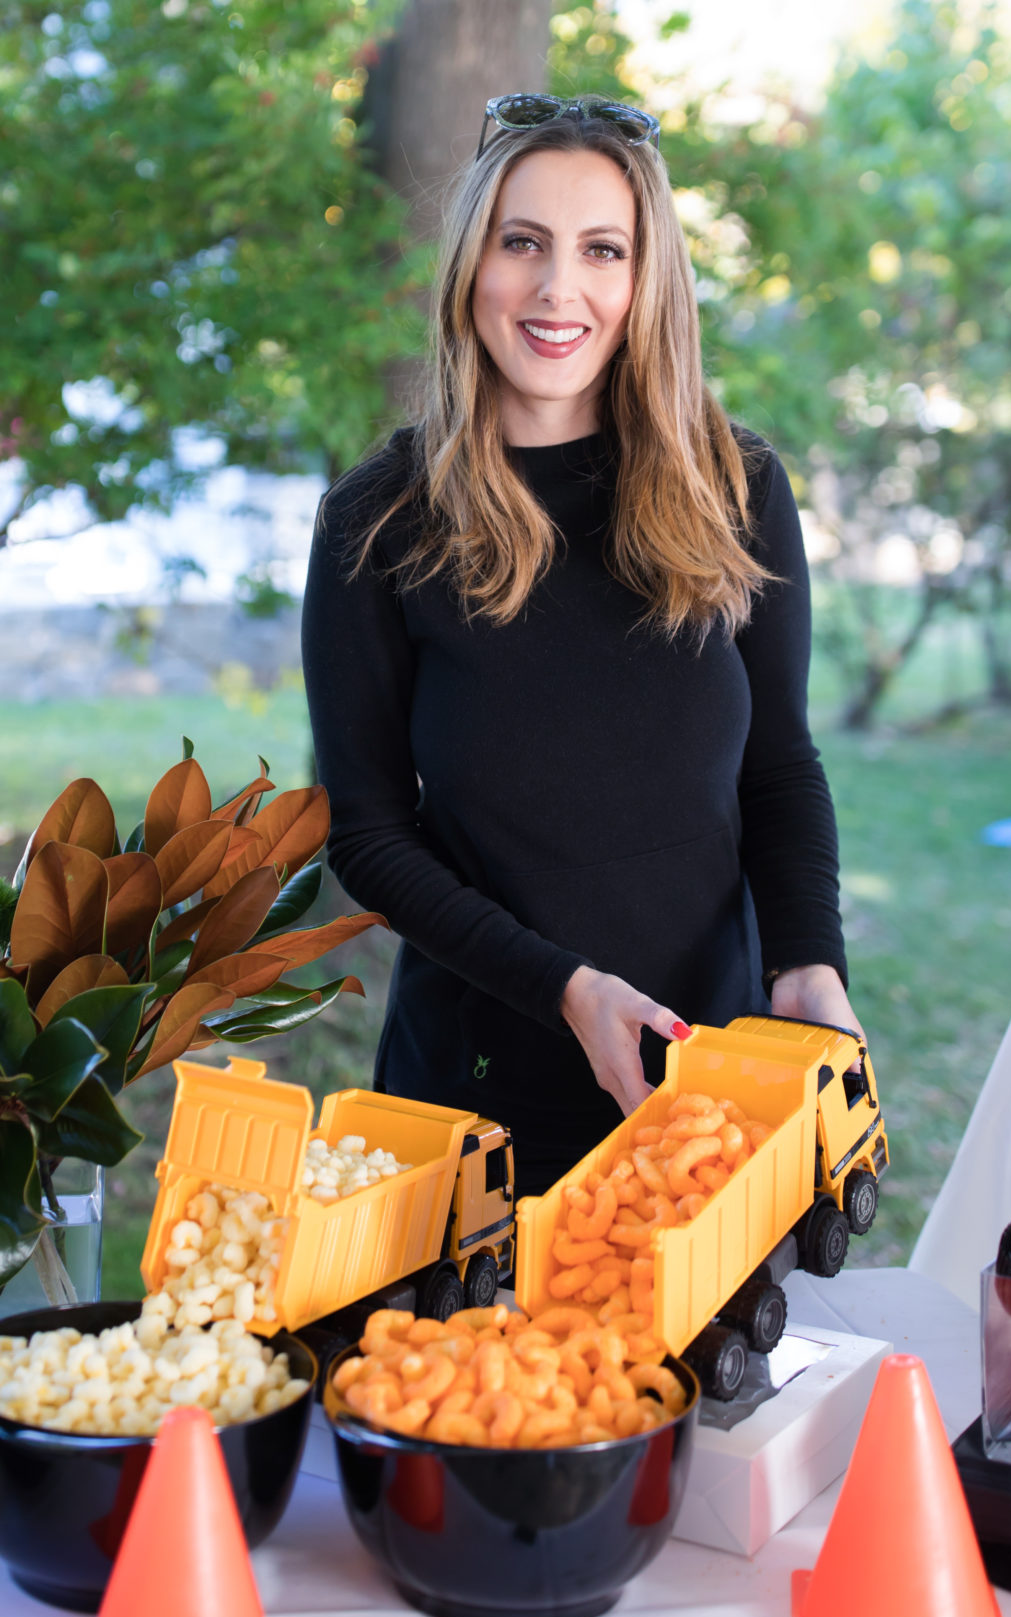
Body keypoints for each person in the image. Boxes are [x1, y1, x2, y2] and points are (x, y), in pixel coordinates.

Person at [302, 93, 863, 1200]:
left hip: (709, 1093)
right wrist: (563, 987)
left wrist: (809, 966)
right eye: (524, 243)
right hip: (474, 1101)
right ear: (474, 265)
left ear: (644, 277)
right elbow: (369, 834)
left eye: (601, 249)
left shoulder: (733, 482)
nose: (561, 289)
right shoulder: (377, 517)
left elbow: (778, 766)